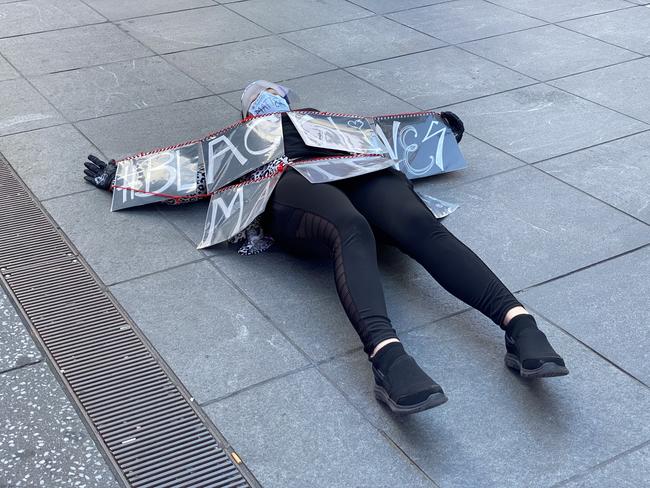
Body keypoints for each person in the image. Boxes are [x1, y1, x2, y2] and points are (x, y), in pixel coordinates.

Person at [84, 80, 569, 416]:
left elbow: (391, 137)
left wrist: (439, 131)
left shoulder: (329, 122)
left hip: (360, 165)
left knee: (419, 225)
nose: (270, 97)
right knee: (348, 226)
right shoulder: (243, 137)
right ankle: (391, 359)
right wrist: (123, 176)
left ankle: (521, 326)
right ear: (247, 111)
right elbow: (195, 165)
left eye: (276, 93)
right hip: (283, 178)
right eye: (260, 97)